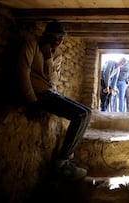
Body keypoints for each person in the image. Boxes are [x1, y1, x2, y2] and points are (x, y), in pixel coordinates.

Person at [17, 20, 91, 180]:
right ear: (46, 36)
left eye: (61, 38)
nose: (58, 42)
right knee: (81, 115)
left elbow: (53, 80)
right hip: (39, 95)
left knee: (87, 112)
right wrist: (32, 100)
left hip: (51, 93)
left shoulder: (56, 54)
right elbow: (22, 73)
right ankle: (62, 163)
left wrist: (48, 57)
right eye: (54, 37)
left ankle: (68, 158)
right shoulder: (31, 45)